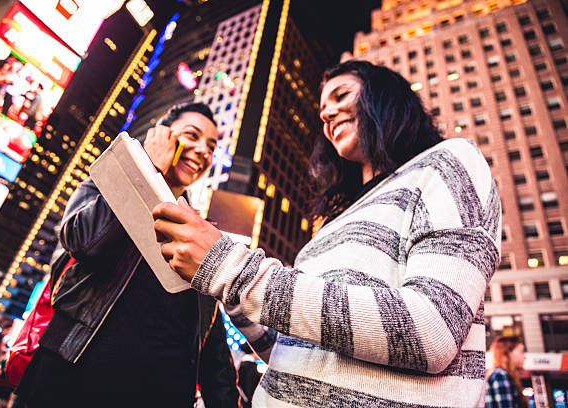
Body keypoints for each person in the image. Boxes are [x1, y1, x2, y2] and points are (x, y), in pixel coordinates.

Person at [152, 60, 502, 407]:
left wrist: (231, 269)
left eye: (341, 95)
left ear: (384, 96)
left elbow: (432, 329)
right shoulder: (330, 225)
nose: (327, 114)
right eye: (322, 109)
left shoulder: (447, 161)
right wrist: (229, 296)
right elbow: (295, 350)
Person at [15, 103, 239, 407]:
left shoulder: (199, 230)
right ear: (162, 134)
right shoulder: (109, 180)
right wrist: (148, 168)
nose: (203, 151)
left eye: (211, 146)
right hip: (71, 383)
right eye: (193, 136)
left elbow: (211, 343)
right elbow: (83, 243)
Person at [486, 336, 527, 408]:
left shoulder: (499, 374)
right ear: (508, 352)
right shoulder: (500, 375)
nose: (524, 356)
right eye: (521, 352)